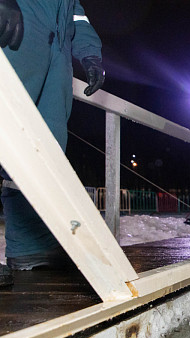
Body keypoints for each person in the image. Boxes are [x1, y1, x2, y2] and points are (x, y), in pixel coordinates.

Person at [0, 0, 105, 286]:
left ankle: (30, 245)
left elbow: (76, 13)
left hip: (57, 47)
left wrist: (90, 53)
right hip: (19, 24)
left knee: (43, 152)